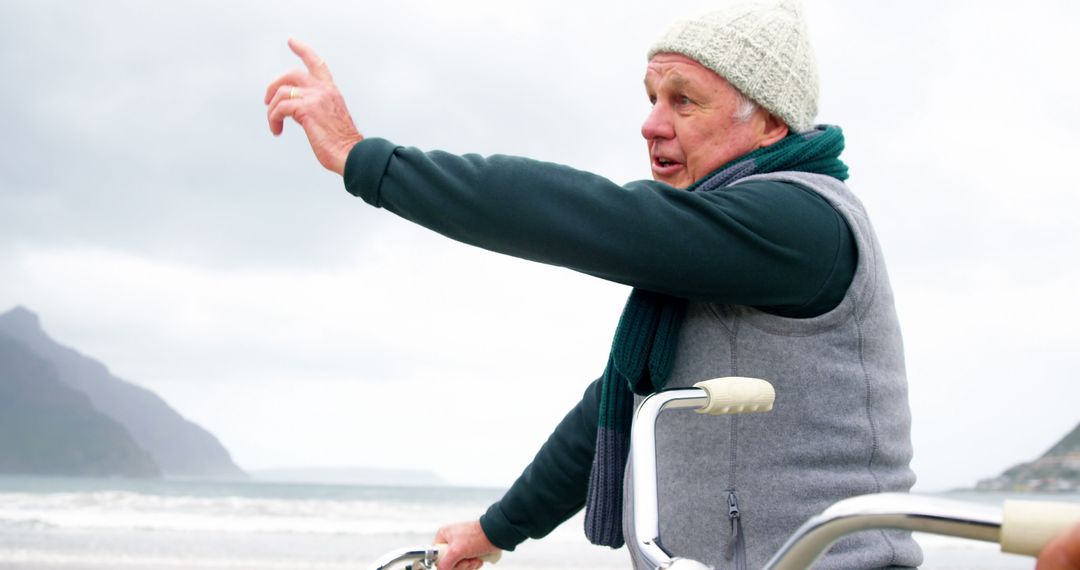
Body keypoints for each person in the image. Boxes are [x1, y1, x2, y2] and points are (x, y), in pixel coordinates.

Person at [264, 1, 921, 568]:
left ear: (771, 124)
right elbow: (613, 408)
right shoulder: (713, 253)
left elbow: (581, 215)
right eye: (651, 97)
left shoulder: (803, 222)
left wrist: (363, 158)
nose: (651, 123)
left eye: (683, 100)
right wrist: (494, 532)